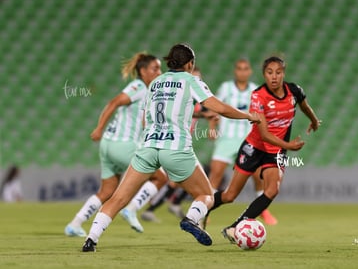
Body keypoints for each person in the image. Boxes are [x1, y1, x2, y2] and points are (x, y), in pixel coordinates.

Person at [82, 43, 260, 251]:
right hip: (176, 149)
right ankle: (191, 219)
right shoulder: (191, 80)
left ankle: (91, 240)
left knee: (119, 197)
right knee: (207, 195)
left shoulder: (155, 83)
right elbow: (219, 107)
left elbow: (144, 120)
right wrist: (248, 116)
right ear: (190, 64)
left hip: (148, 146)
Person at [207, 56, 321, 243]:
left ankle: (236, 227)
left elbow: (305, 106)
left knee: (272, 189)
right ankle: (201, 210)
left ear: (283, 73)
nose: (274, 76)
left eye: (278, 72)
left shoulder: (295, 91)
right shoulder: (258, 95)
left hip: (276, 151)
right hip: (256, 146)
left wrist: (314, 121)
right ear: (264, 74)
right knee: (229, 195)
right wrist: (290, 146)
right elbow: (265, 134)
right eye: (270, 72)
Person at [64, 52, 166, 237]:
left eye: (160, 68)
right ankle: (132, 208)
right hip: (123, 144)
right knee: (160, 177)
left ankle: (75, 224)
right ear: (143, 71)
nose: (160, 72)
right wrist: (98, 127)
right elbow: (114, 102)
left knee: (107, 191)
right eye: (155, 68)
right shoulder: (139, 86)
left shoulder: (150, 91)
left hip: (108, 145)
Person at [207, 58, 277, 226]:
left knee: (258, 175)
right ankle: (205, 210)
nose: (242, 71)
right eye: (239, 68)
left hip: (249, 139)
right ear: (235, 71)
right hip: (226, 139)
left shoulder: (255, 90)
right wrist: (212, 126)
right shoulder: (226, 88)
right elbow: (214, 107)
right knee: (215, 175)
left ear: (250, 71)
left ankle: (262, 210)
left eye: (245, 68)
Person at [140, 66, 216, 222]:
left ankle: (168, 205)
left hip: (182, 144)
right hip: (169, 142)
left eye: (198, 79)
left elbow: (212, 131)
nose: (195, 82)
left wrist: (212, 126)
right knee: (176, 181)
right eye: (193, 77)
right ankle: (155, 207)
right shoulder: (178, 97)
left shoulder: (200, 102)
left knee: (182, 180)